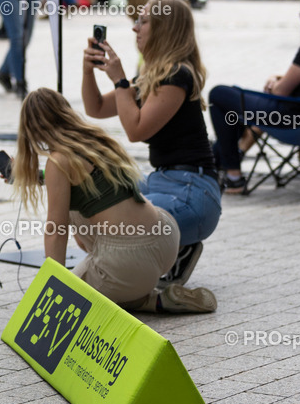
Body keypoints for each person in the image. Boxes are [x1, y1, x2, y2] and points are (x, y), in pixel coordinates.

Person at [13, 88, 215, 313]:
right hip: (165, 237)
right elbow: (77, 182)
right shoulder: (95, 140)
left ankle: (144, 298)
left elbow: (56, 229)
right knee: (77, 203)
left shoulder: (58, 161)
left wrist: (53, 286)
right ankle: (152, 296)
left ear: (30, 130)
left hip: (127, 260)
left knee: (68, 302)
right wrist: (37, 177)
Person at [82, 0, 221, 288]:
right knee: (89, 198)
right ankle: (163, 253)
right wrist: (88, 71)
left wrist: (121, 82)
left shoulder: (178, 75)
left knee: (118, 225)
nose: (135, 28)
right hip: (161, 182)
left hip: (192, 192)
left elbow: (136, 130)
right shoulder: (152, 75)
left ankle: (169, 253)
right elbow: (95, 108)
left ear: (164, 29)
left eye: (143, 21)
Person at [209, 0, 300, 192]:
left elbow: (281, 92)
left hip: (291, 120)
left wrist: (273, 82)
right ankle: (218, 164)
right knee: (233, 108)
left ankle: (229, 173)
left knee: (220, 94)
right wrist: (278, 79)